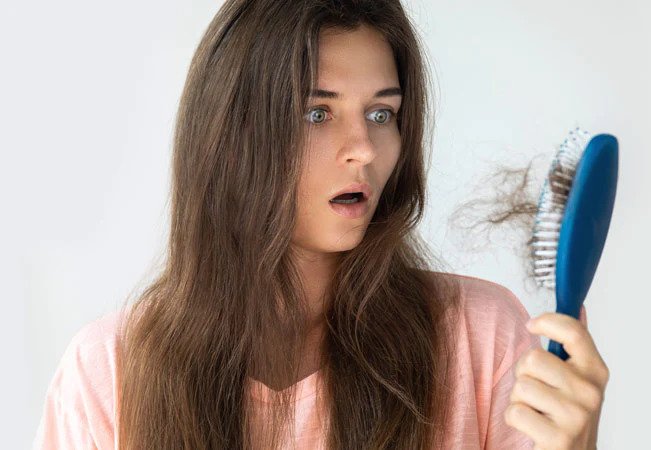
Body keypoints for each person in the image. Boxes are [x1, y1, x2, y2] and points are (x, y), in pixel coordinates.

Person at [33, 1, 607, 449]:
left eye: (381, 113)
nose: (362, 149)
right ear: (231, 139)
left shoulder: (480, 337)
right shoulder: (109, 372)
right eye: (317, 113)